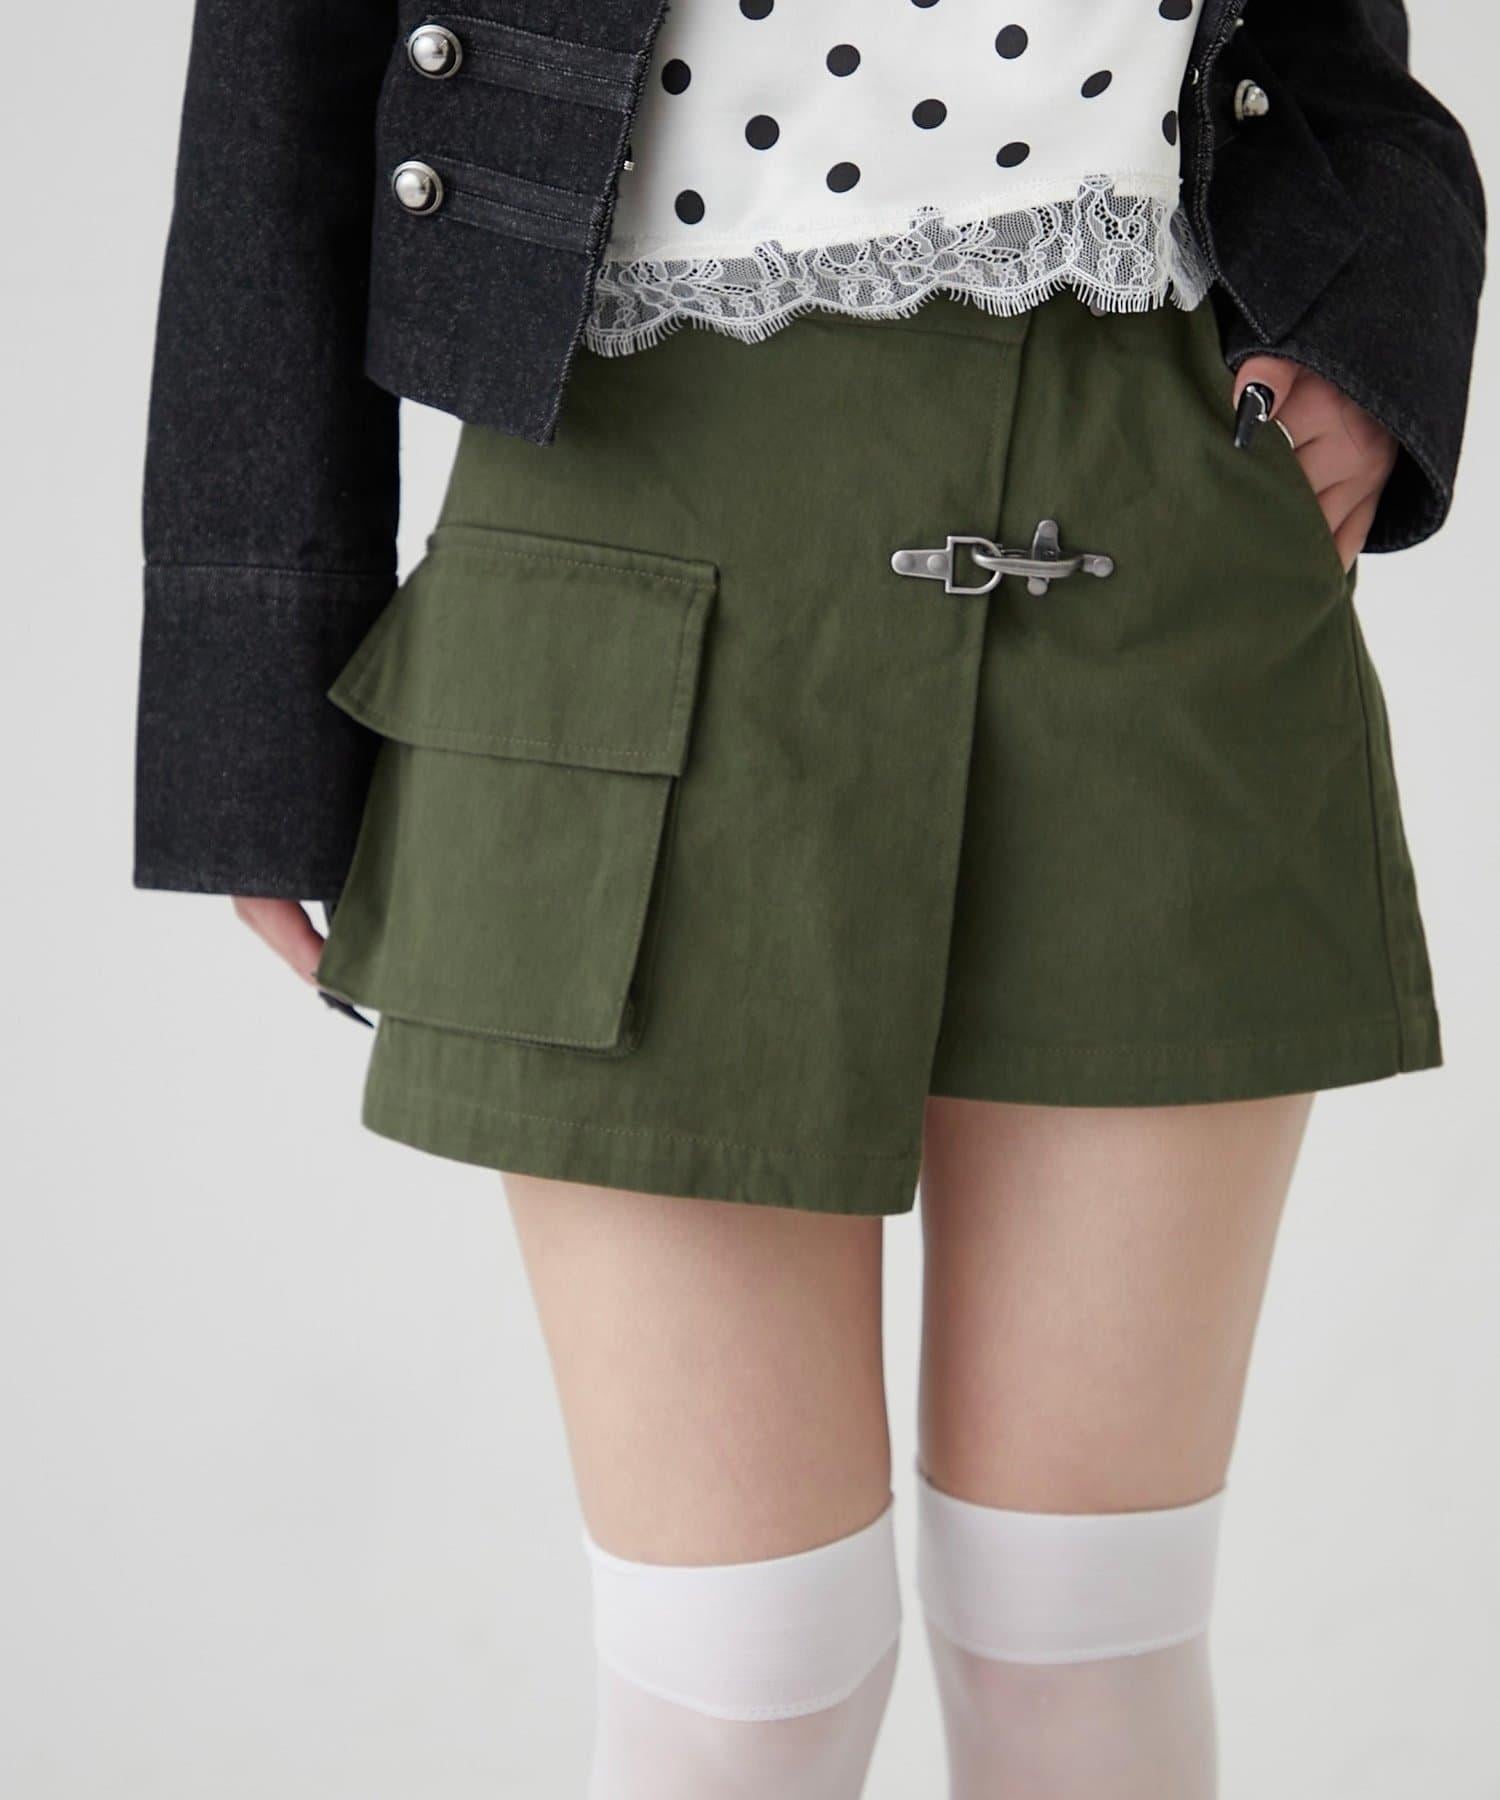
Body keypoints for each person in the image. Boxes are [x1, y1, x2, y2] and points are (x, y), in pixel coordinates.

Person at [133, 2, 1485, 1794]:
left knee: (1086, 1641)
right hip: (629, 500)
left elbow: (1335, 43)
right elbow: (279, 90)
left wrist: (1379, 321)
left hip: (1159, 513)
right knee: (743, 1675)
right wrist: (247, 673)